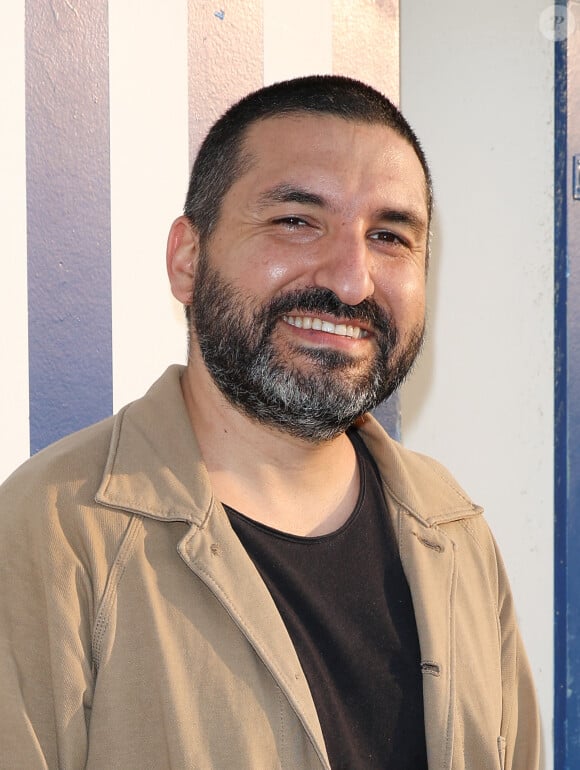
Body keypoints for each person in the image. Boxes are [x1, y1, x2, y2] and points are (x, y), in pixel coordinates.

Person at [0, 75, 539, 770]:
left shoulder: (456, 530)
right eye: (296, 221)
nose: (351, 280)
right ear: (187, 260)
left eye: (390, 235)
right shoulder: (51, 536)